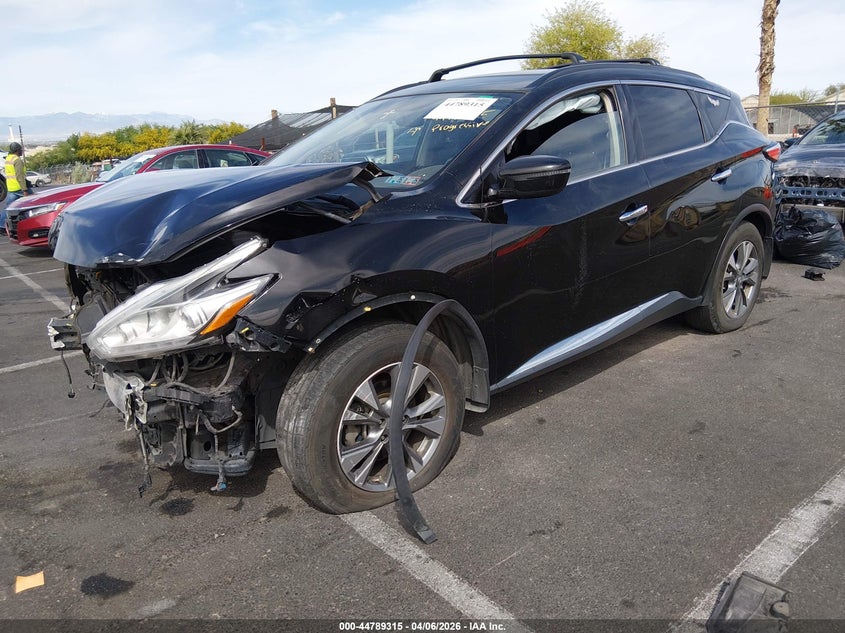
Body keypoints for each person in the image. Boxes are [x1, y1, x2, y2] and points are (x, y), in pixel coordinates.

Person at [2, 141, 30, 234]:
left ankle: (1, 224)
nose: (22, 151)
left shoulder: (8, 158)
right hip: (19, 187)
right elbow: (19, 176)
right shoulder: (17, 160)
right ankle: (32, 224)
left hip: (11, 187)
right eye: (21, 149)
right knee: (35, 203)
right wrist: (25, 190)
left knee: (9, 207)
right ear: (17, 150)